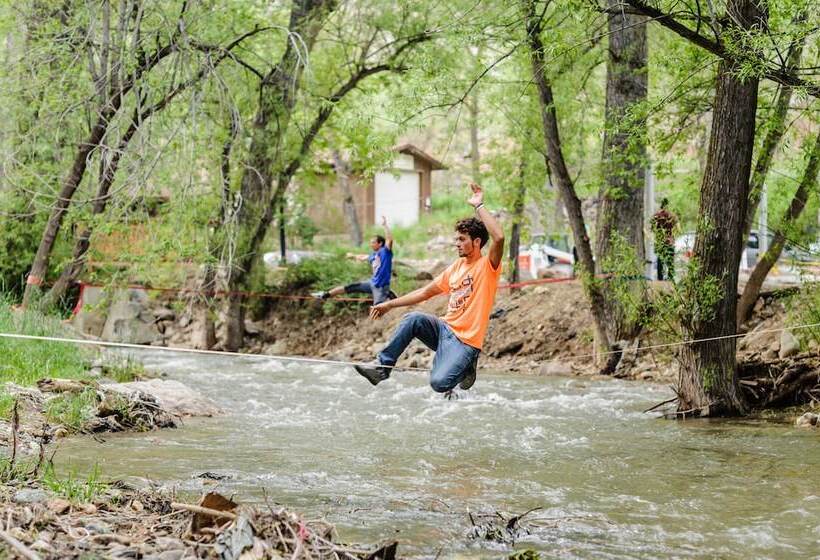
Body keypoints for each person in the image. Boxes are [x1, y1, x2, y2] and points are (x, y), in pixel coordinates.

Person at [353, 183, 504, 393]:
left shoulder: (488, 266)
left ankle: (467, 364)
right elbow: (424, 293)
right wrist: (389, 304)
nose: (457, 244)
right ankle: (382, 367)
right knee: (413, 319)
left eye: (462, 239)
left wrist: (479, 205)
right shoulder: (455, 268)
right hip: (444, 329)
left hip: (466, 342)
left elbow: (499, 237)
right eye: (456, 239)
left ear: (477, 242)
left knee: (438, 384)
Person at [313, 216, 395, 305]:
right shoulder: (374, 255)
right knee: (350, 287)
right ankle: (325, 295)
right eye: (370, 242)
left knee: (377, 310)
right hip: (372, 283)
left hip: (381, 287)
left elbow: (389, 240)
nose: (371, 244)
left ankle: (388, 294)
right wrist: (353, 256)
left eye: (373, 242)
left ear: (380, 243)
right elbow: (363, 257)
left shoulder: (385, 252)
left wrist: (385, 225)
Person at [651, 198, 678, 281]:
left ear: (661, 205)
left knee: (660, 261)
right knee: (670, 261)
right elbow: (677, 228)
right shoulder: (672, 215)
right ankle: (671, 279)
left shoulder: (656, 215)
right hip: (670, 241)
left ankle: (660, 280)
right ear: (667, 205)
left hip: (660, 242)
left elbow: (652, 228)